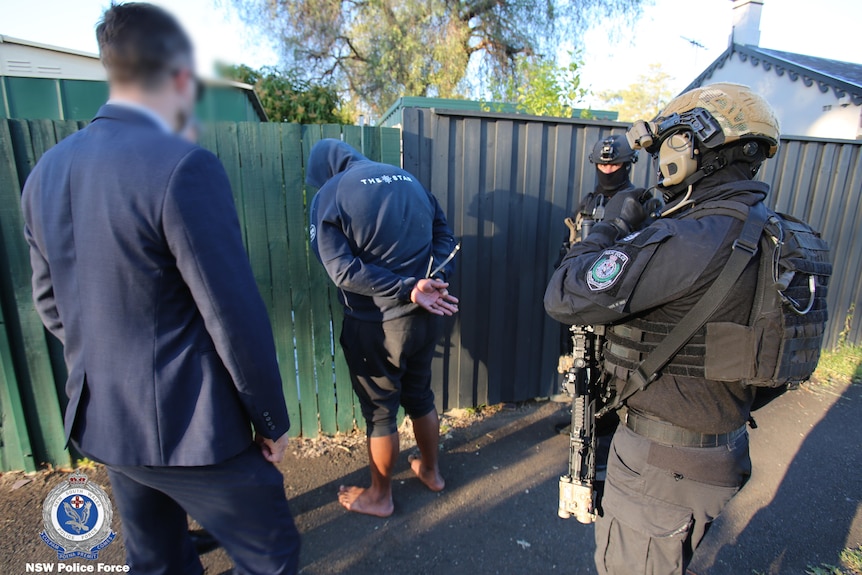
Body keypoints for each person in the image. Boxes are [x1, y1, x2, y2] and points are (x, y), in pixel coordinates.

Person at [20, 4, 300, 574]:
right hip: (192, 429)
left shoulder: (44, 173)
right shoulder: (182, 166)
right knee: (271, 555)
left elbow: (51, 304)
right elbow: (232, 315)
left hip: (106, 421)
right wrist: (271, 420)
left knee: (156, 560)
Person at [545, 83, 781, 574]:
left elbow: (565, 293)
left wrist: (610, 227)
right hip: (722, 447)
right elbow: (777, 361)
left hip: (663, 469)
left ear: (688, 146)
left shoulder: (689, 237)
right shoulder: (774, 232)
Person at [307, 139, 458, 518]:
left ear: (324, 171)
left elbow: (340, 270)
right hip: (426, 314)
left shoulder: (331, 192)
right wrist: (430, 281)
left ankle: (380, 496)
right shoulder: (407, 178)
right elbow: (444, 236)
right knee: (420, 395)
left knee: (380, 414)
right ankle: (432, 472)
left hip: (376, 326)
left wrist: (407, 288)